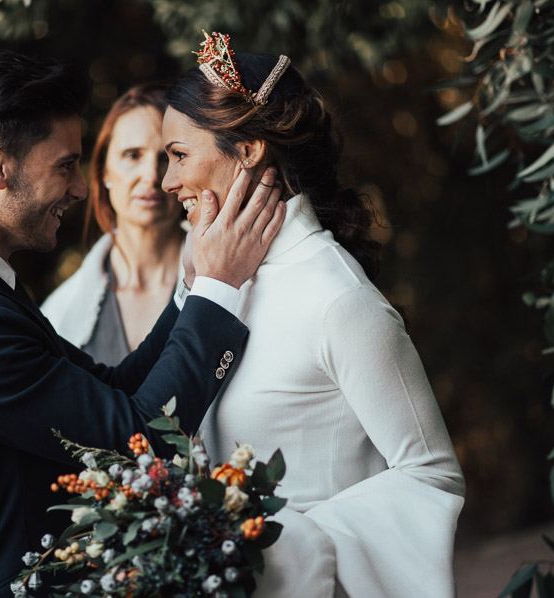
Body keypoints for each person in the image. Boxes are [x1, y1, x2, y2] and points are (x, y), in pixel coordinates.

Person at [0, 48, 285, 597]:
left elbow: (112, 390)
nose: (80, 189)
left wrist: (191, 286)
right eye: (65, 165)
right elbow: (138, 443)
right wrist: (220, 288)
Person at [160, 32, 465, 597]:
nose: (167, 182)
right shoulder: (210, 284)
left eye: (180, 155)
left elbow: (432, 474)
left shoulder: (337, 298)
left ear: (248, 149)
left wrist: (291, 548)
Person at [42, 84, 184, 364]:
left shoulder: (225, 282)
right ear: (104, 171)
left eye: (166, 158)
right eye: (132, 155)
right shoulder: (59, 314)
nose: (150, 176)